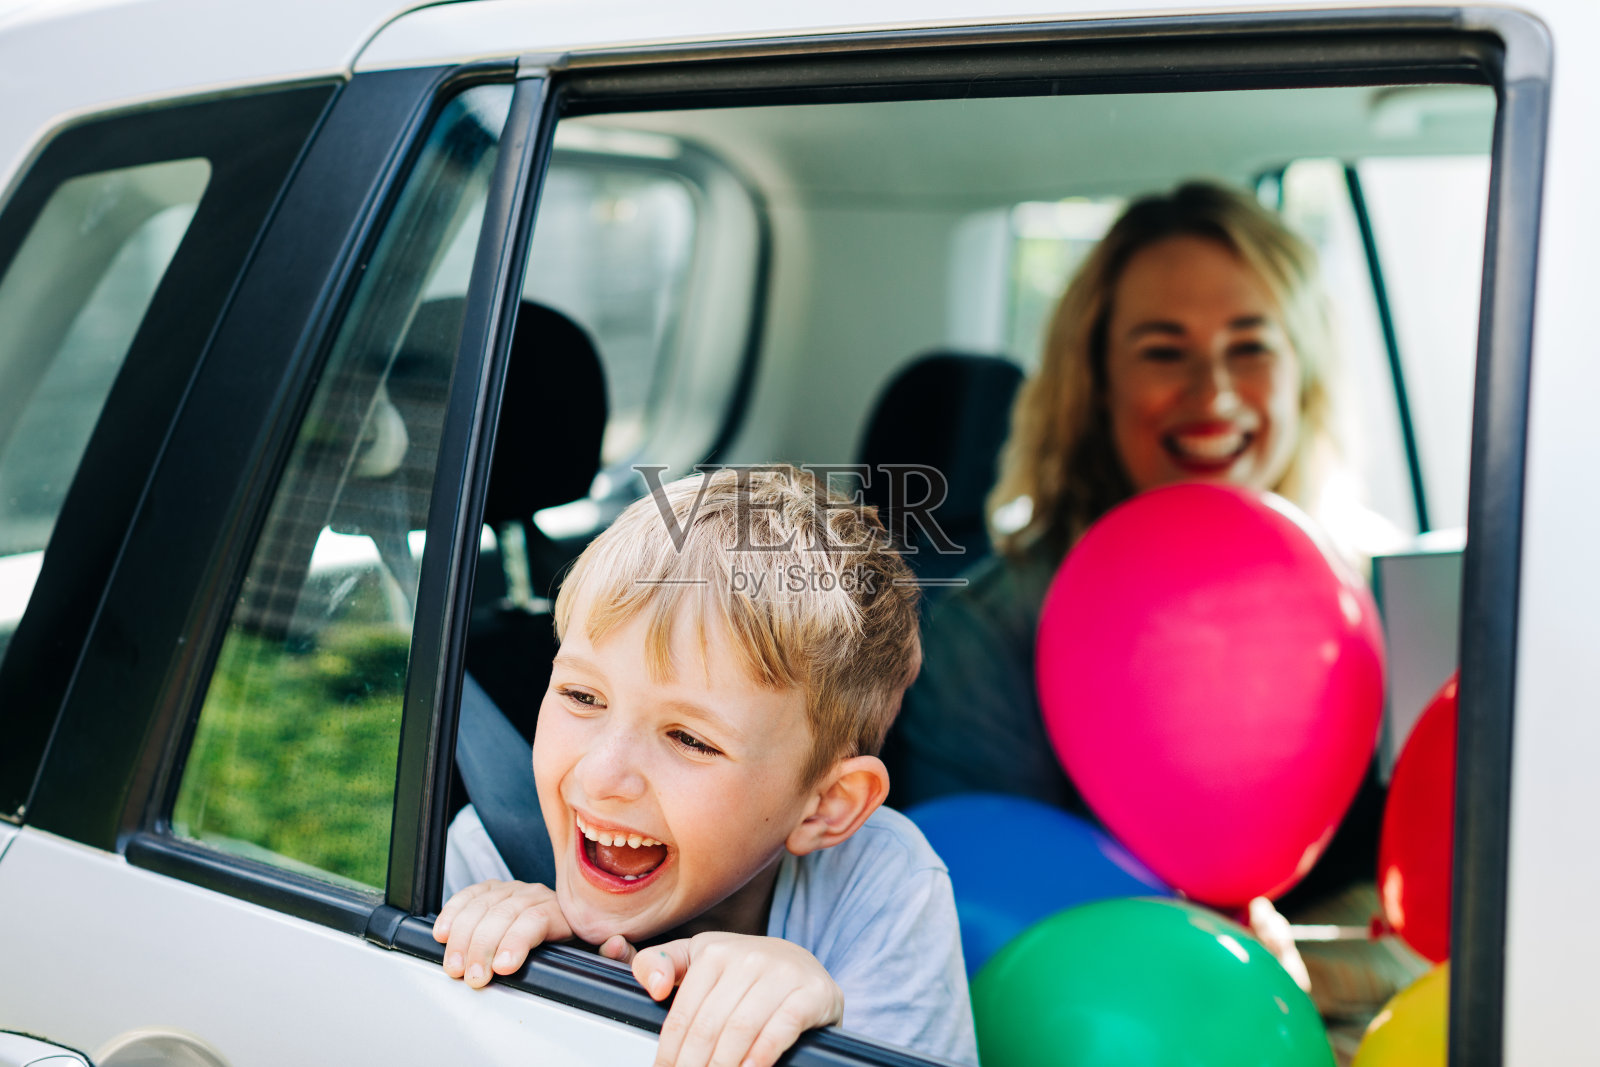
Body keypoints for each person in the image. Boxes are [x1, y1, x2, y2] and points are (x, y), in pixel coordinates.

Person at [879, 181, 1420, 1059]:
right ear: (1096, 385)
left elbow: (1461, 902)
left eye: (1251, 346)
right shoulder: (989, 630)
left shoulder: (1390, 594)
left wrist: (1289, 974)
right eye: (1164, 352)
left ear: (1304, 371)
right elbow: (976, 927)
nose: (1214, 392)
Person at [436, 465, 977, 1067]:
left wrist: (816, 1031)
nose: (602, 777)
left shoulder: (878, 885)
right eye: (582, 696)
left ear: (826, 805)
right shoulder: (489, 855)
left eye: (690, 740)